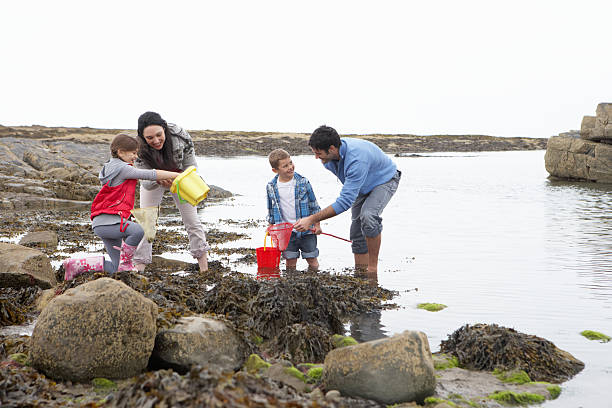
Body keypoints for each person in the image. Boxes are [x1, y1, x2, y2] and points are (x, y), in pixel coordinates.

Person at [62, 134, 181, 278]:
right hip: (110, 222)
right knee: (138, 230)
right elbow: (150, 174)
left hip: (103, 223)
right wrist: (176, 175)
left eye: (136, 153)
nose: (135, 156)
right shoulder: (123, 169)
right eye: (133, 153)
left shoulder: (109, 168)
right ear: (120, 152)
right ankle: (127, 261)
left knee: (117, 268)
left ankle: (76, 265)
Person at [294, 125, 401, 275]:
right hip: (362, 184)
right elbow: (349, 187)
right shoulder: (329, 160)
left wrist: (311, 219)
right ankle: (360, 272)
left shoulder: (357, 159)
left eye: (318, 153)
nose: (316, 157)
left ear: (331, 148)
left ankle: (372, 270)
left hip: (385, 180)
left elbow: (344, 202)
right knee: (357, 231)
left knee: (368, 216)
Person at [133, 111, 210, 272]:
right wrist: (158, 178)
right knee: (147, 222)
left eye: (159, 135)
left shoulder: (181, 137)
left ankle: (204, 268)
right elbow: (144, 182)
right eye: (150, 138)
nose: (156, 140)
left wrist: (180, 179)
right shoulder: (137, 148)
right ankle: (139, 268)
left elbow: (191, 166)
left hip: (180, 180)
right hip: (153, 180)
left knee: (192, 221)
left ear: (164, 128)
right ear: (142, 137)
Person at [266, 148, 321, 271]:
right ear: (275, 170)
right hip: (286, 233)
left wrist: (317, 225)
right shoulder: (271, 187)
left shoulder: (303, 182)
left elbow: (314, 205)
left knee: (311, 258)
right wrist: (270, 226)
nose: (290, 167)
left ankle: (315, 280)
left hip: (307, 230)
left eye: (290, 163)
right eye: (285, 166)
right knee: (290, 260)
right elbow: (270, 208)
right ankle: (290, 285)